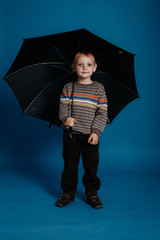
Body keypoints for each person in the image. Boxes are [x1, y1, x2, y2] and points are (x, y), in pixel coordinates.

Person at [55, 51, 108, 209]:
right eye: (80, 64)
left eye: (89, 65)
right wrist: (65, 119)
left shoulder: (99, 89)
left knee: (91, 165)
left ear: (95, 67)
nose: (85, 68)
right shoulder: (68, 87)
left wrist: (96, 132)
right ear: (73, 67)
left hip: (90, 136)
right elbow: (63, 108)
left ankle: (92, 191)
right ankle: (68, 192)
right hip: (71, 135)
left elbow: (102, 112)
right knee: (70, 164)